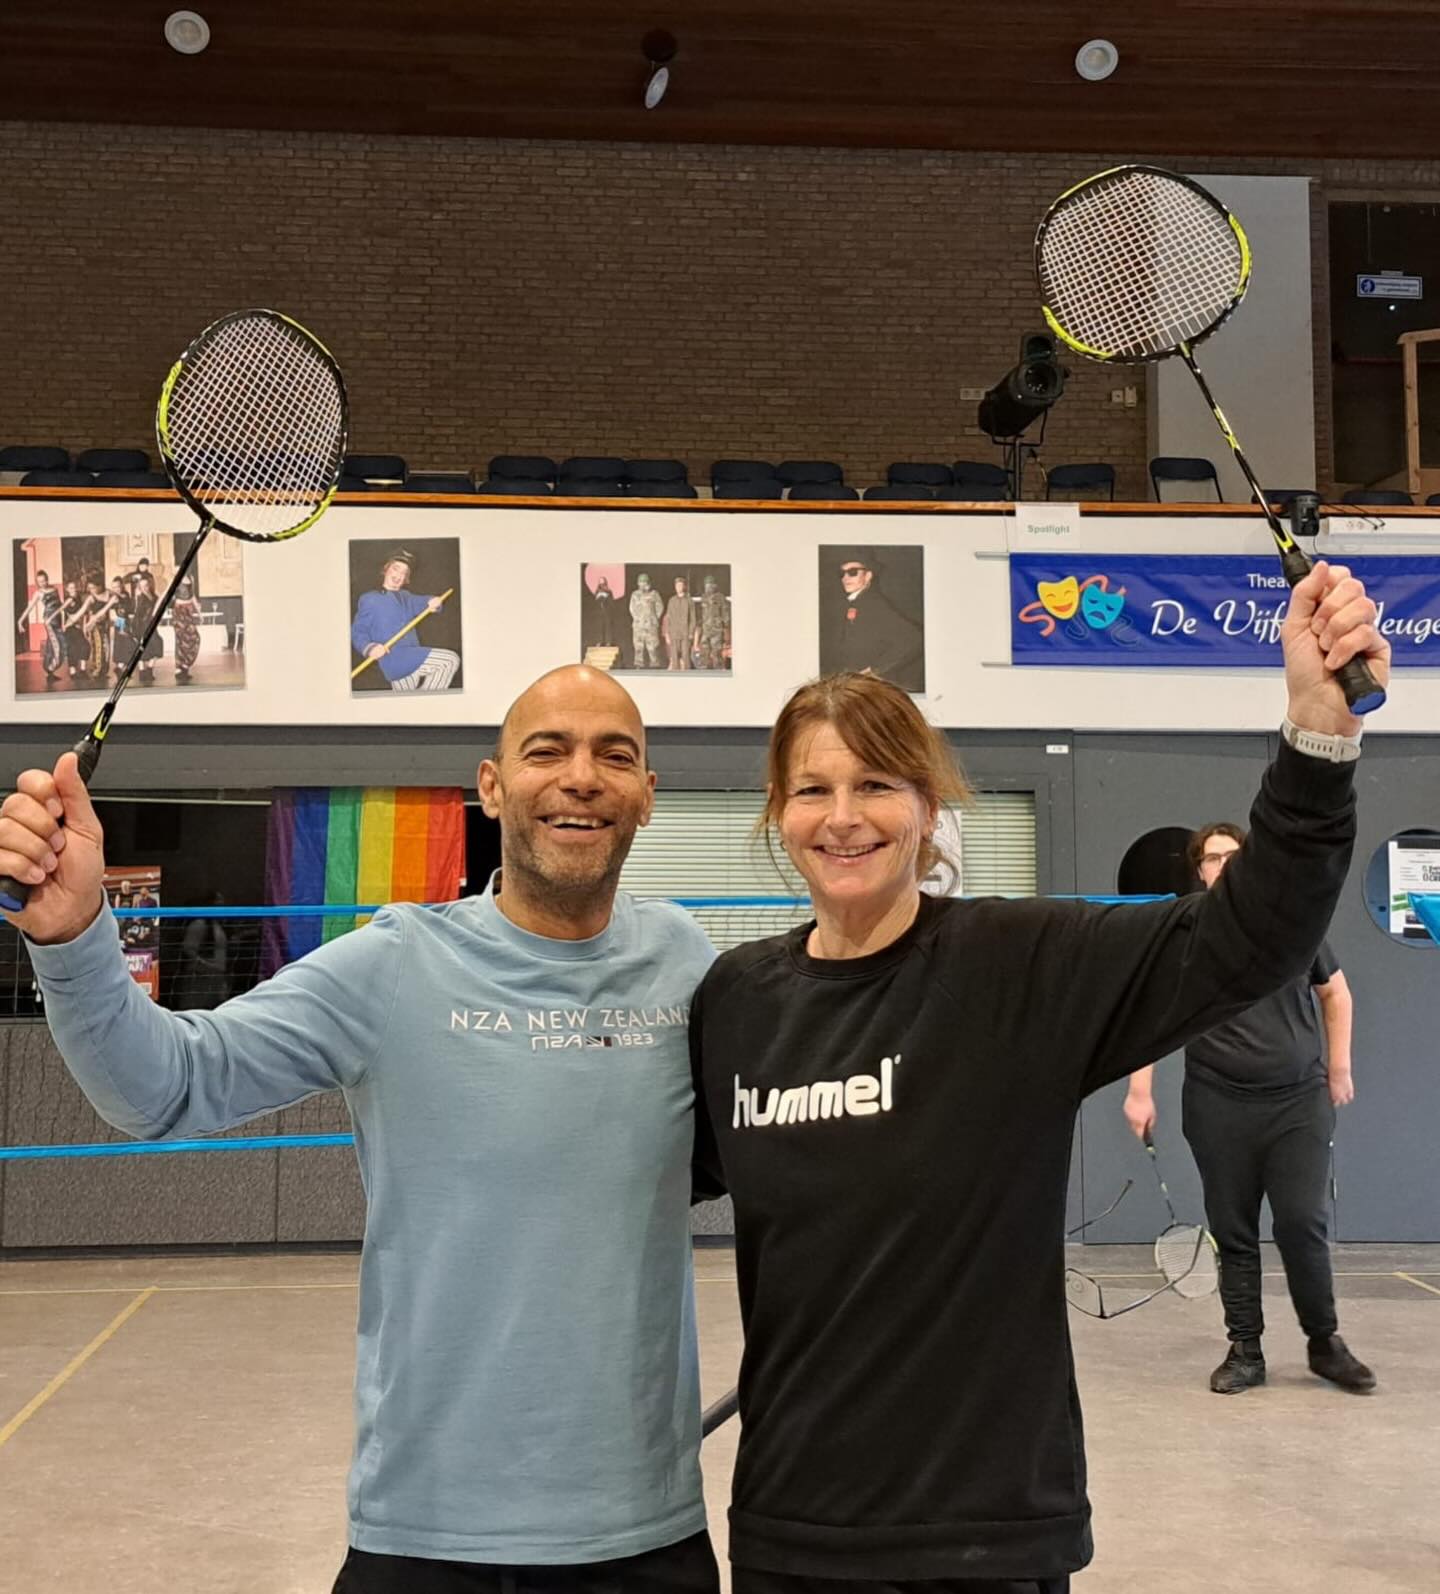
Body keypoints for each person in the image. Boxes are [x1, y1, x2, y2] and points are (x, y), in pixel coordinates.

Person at [689, 561, 1386, 1594]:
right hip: (795, 1531)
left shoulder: (1020, 964)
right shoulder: (738, 999)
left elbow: (1256, 935)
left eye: (877, 784)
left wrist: (1318, 733)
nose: (845, 816)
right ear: (778, 813)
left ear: (926, 807)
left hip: (993, 1533)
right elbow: (642, 1175)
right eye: (813, 789)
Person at [0, 664, 720, 1594]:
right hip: (426, 1539)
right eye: (547, 751)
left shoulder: (689, 964)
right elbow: (163, 1088)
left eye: (614, 756)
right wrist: (72, 935)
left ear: (648, 796)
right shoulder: (397, 963)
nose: (581, 776)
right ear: (493, 786)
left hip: (646, 1540)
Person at [1122, 823, 1374, 1395]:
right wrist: (1140, 1090)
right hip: (1217, 1104)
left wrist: (1339, 1066)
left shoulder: (1293, 921)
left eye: (1236, 855)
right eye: (1213, 858)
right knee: (1233, 1232)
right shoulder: (1184, 934)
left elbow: (1336, 993)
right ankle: (1245, 1350)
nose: (1226, 865)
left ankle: (1324, 1344)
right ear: (1200, 870)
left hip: (1297, 1101)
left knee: (1301, 1224)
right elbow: (1153, 1017)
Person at [350, 549, 459, 692]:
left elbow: (422, 602)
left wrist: (433, 601)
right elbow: (358, 631)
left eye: (404, 573)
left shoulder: (405, 596)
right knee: (449, 660)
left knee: (407, 701)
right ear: (386, 569)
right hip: (396, 658)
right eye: (396, 569)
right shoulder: (370, 598)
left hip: (410, 656)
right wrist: (370, 648)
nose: (399, 576)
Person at [828, 547, 923, 692]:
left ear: (868, 576)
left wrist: (875, 670)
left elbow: (914, 638)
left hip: (876, 689)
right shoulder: (857, 603)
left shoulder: (875, 604)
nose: (845, 578)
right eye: (842, 573)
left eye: (853, 572)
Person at [175, 890, 230, 1010]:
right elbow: (188, 949)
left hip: (216, 978)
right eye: (218, 903)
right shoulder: (200, 924)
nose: (222, 906)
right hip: (200, 978)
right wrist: (205, 965)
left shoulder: (219, 926)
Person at [16, 569, 64, 680]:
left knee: (52, 645)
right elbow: (30, 607)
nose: (42, 583)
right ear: (38, 583)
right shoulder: (38, 593)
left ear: (47, 579)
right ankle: (50, 669)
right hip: (49, 621)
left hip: (58, 620)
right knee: (58, 646)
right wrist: (20, 621)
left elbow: (61, 606)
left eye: (44, 580)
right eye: (40, 582)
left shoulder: (54, 589)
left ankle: (49, 672)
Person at [629, 572, 664, 669]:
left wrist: (654, 618)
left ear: (648, 583)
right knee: (638, 646)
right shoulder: (635, 595)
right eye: (641, 582)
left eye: (644, 582)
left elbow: (659, 607)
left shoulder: (654, 594)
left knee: (652, 646)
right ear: (638, 583)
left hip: (651, 625)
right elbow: (632, 608)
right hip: (639, 625)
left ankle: (654, 664)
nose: (643, 584)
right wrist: (637, 618)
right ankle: (639, 664)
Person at [172, 575, 202, 683]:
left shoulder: (191, 578)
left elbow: (192, 596)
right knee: (181, 639)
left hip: (188, 611)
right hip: (179, 611)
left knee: (194, 638)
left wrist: (199, 614)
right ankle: (179, 669)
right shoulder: (175, 578)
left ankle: (185, 665)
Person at [696, 575, 730, 671]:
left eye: (710, 584)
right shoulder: (703, 597)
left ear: (715, 585)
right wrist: (699, 625)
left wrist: (725, 626)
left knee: (716, 652)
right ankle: (704, 669)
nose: (708, 587)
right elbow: (700, 613)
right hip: (705, 629)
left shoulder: (720, 598)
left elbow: (725, 613)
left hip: (716, 629)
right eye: (707, 585)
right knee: (704, 651)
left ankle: (718, 670)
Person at [664, 576, 696, 671]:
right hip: (674, 633)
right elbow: (668, 618)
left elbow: (693, 618)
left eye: (681, 585)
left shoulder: (689, 601)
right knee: (674, 658)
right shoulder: (671, 601)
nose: (679, 587)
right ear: (675, 587)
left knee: (686, 656)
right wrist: (667, 633)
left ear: (684, 586)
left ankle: (687, 678)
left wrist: (691, 632)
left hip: (685, 633)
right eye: (677, 585)